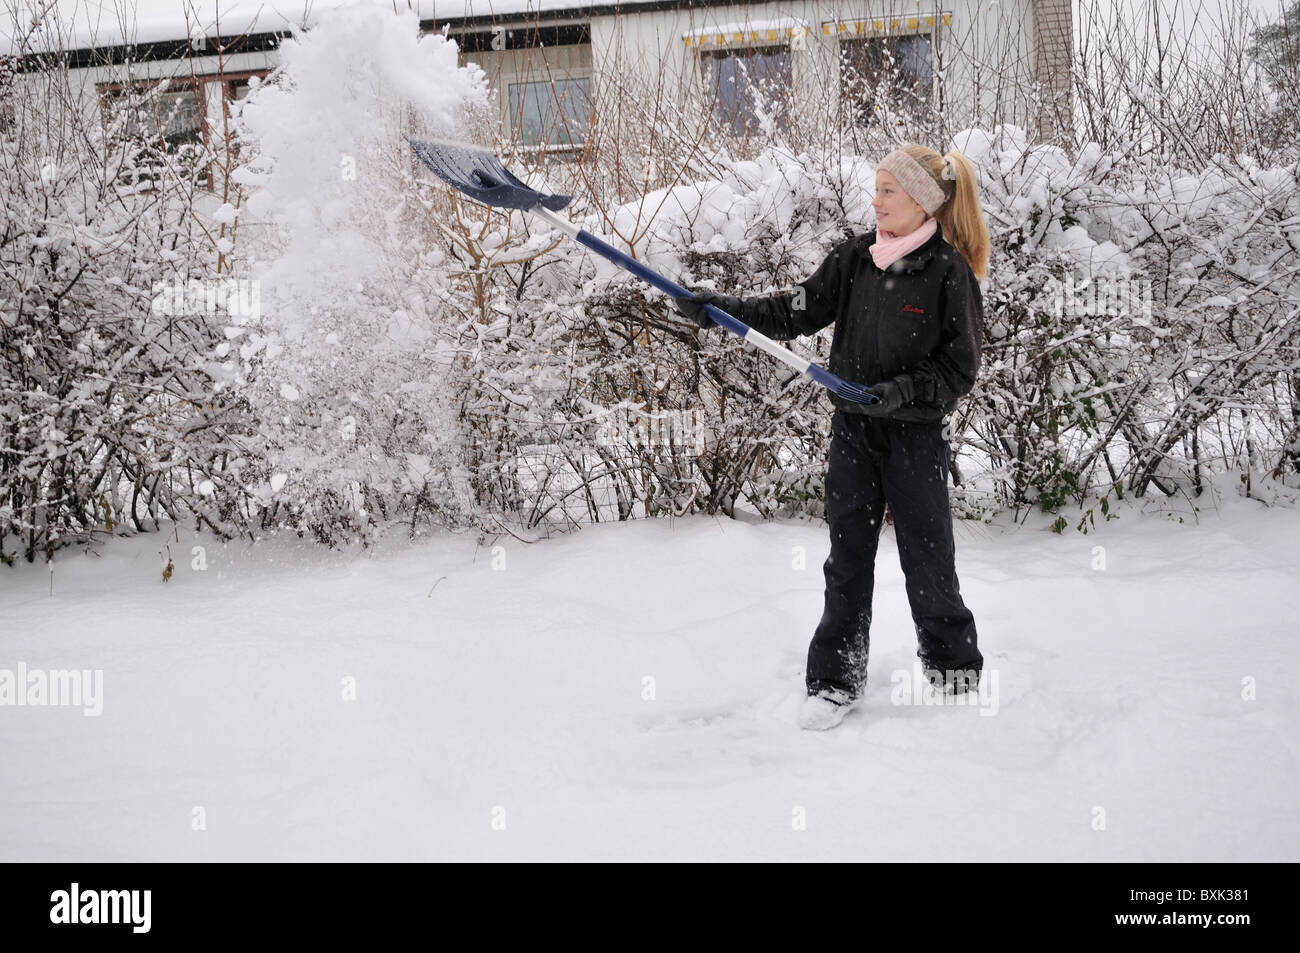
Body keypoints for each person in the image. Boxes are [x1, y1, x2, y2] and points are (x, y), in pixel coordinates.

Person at [674, 143, 990, 730]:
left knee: (928, 559)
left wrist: (899, 392)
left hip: (914, 441)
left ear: (922, 202)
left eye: (888, 191)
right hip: (853, 435)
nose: (876, 202)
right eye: (876, 190)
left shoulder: (947, 273)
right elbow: (794, 311)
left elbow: (958, 369)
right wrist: (719, 308)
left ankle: (953, 671)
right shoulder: (855, 260)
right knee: (847, 560)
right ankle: (833, 679)